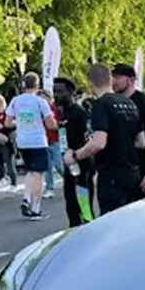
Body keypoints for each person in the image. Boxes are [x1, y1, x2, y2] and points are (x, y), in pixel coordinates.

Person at [62, 64, 145, 216]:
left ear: (90, 83)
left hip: (111, 174)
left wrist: (74, 155)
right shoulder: (129, 103)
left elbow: (99, 143)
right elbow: (141, 142)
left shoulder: (101, 104)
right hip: (133, 171)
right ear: (110, 79)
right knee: (131, 219)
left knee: (112, 220)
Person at [5, 72, 57, 220]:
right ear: (37, 85)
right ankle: (35, 208)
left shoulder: (15, 100)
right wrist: (57, 124)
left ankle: (27, 197)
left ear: (23, 85)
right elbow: (50, 124)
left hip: (22, 140)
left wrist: (21, 123)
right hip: (38, 140)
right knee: (38, 174)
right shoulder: (40, 101)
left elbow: (7, 123)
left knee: (30, 171)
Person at [110, 64, 145, 198]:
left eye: (118, 77)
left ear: (131, 80)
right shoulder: (112, 103)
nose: (114, 81)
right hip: (121, 172)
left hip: (143, 169)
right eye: (113, 77)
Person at [52, 77, 94, 227]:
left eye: (60, 91)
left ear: (70, 92)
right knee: (70, 201)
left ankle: (88, 224)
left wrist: (77, 155)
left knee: (83, 200)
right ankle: (74, 227)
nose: (56, 95)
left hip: (82, 163)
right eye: (55, 91)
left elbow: (88, 138)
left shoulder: (79, 113)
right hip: (68, 162)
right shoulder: (61, 112)